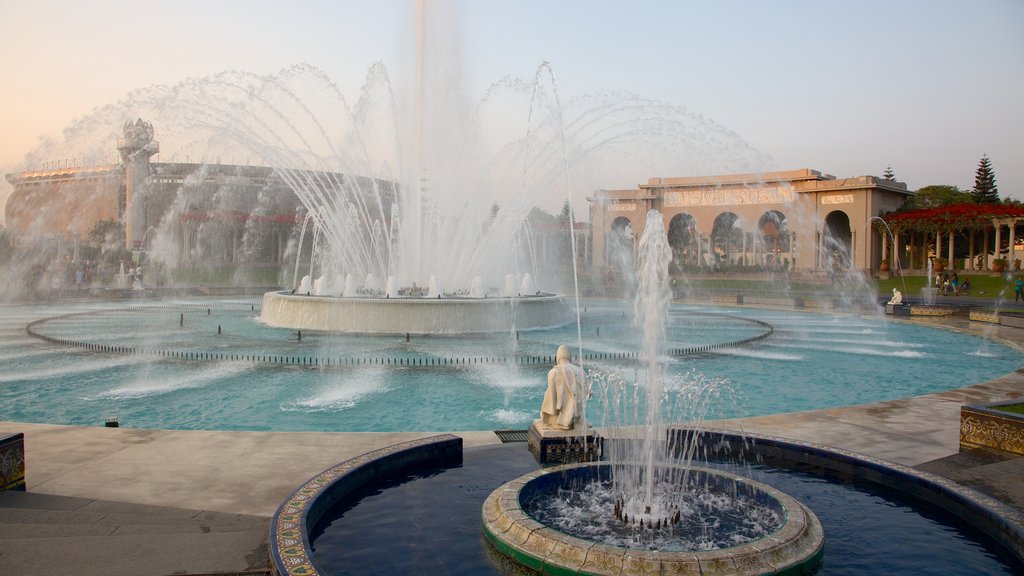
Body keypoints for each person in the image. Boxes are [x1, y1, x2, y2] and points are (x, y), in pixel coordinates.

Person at [540, 345, 589, 431]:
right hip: (578, 417)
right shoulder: (582, 371)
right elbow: (588, 393)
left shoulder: (554, 371)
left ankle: (561, 420)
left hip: (561, 418)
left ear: (558, 357)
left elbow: (551, 402)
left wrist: (545, 417)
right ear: (569, 357)